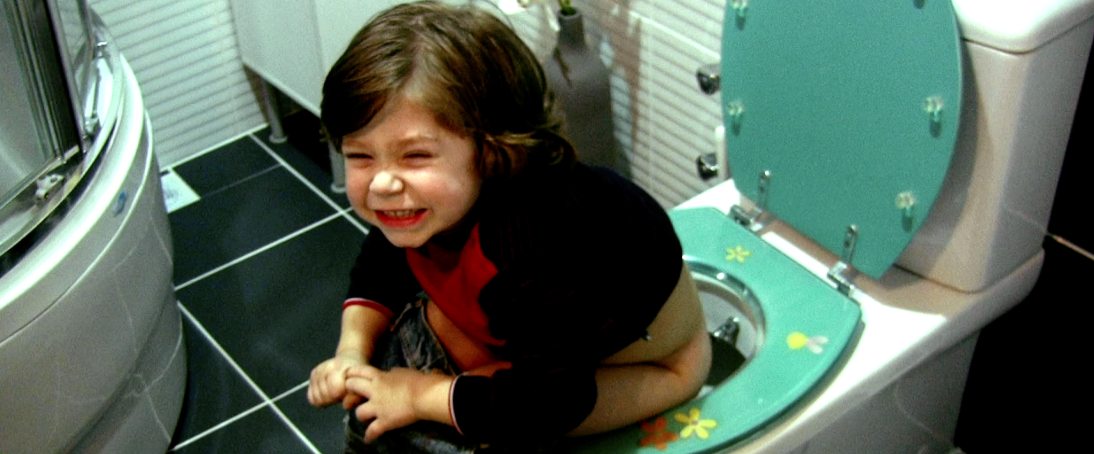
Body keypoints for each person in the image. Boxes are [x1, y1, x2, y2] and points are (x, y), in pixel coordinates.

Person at [306, 2, 711, 452]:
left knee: (509, 423)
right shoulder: (431, 203)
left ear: (492, 149)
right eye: (360, 155)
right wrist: (351, 352)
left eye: (415, 156)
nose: (382, 183)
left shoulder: (536, 244)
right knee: (386, 393)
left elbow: (556, 401)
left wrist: (420, 396)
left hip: (656, 365)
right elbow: (382, 261)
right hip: (546, 337)